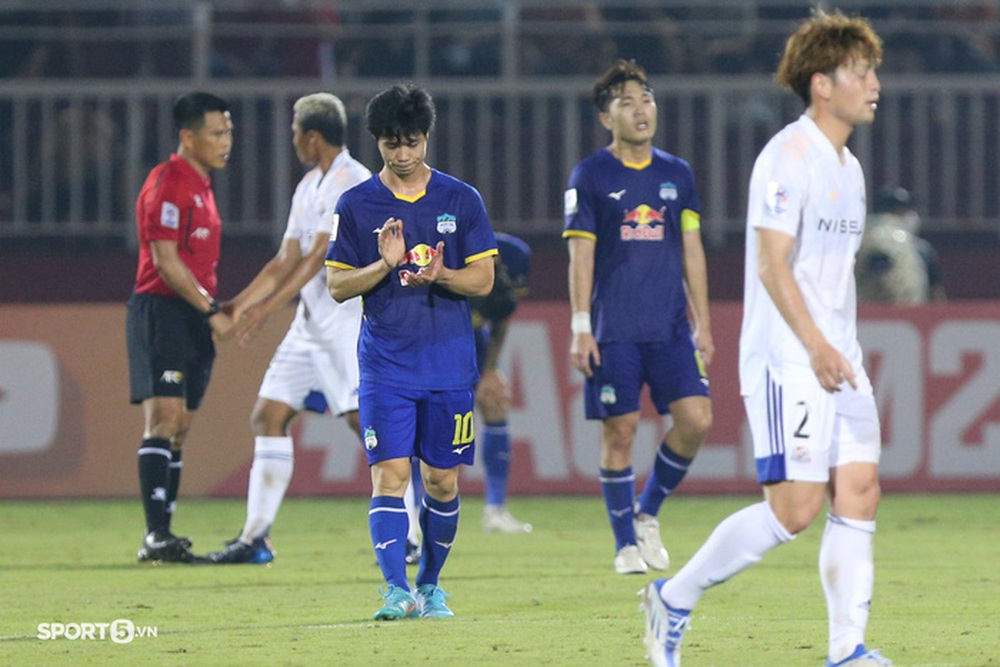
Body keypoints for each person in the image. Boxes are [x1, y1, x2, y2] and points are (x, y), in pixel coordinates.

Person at [641, 10, 893, 667]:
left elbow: (830, 276)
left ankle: (847, 649)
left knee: (861, 489)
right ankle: (673, 596)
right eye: (860, 72)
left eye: (874, 71)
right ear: (821, 83)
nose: (874, 84)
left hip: (839, 353)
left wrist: (839, 345)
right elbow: (771, 263)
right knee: (795, 508)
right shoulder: (788, 156)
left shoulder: (851, 169)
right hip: (790, 353)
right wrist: (814, 344)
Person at [325, 84, 497, 620]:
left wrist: (442, 274)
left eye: (413, 142)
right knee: (390, 476)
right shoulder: (355, 205)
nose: (403, 155)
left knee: (441, 480)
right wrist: (384, 265)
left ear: (428, 136)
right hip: (386, 366)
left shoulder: (460, 199)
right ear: (377, 140)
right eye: (392, 144)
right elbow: (336, 286)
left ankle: (430, 584)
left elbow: (485, 279)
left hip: (448, 365)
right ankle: (396, 591)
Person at [204, 93, 371, 564]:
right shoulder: (310, 185)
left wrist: (270, 308)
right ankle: (256, 537)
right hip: (310, 325)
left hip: (345, 323)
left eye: (295, 131)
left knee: (371, 429)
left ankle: (417, 529)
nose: (293, 139)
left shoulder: (350, 181)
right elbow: (285, 259)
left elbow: (320, 254)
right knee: (268, 415)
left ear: (311, 136)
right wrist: (240, 304)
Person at [563, 59, 714, 575]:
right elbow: (580, 254)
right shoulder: (590, 175)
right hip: (614, 329)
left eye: (645, 99)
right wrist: (580, 325)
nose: (640, 109)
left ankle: (647, 512)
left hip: (670, 326)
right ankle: (625, 543)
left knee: (696, 420)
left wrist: (705, 324)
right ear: (607, 118)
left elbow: (691, 249)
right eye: (625, 102)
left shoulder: (678, 173)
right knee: (620, 431)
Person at [126, 91, 235, 563]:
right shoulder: (168, 181)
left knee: (182, 426)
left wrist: (207, 310)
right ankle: (155, 534)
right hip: (163, 310)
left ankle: (165, 533)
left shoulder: (202, 185)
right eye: (217, 133)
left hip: (192, 314)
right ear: (187, 136)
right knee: (164, 419)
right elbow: (165, 261)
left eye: (229, 132)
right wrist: (212, 311)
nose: (226, 141)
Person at [405, 231, 534, 545]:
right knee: (420, 426)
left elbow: (502, 317)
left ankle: (495, 510)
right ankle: (413, 515)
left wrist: (490, 369)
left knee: (495, 400)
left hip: (470, 343)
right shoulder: (442, 256)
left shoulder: (514, 256)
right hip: (429, 344)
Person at [856, 186, 946, 304]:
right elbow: (936, 294)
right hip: (910, 315)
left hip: (865, 316)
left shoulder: (856, 240)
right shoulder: (920, 248)